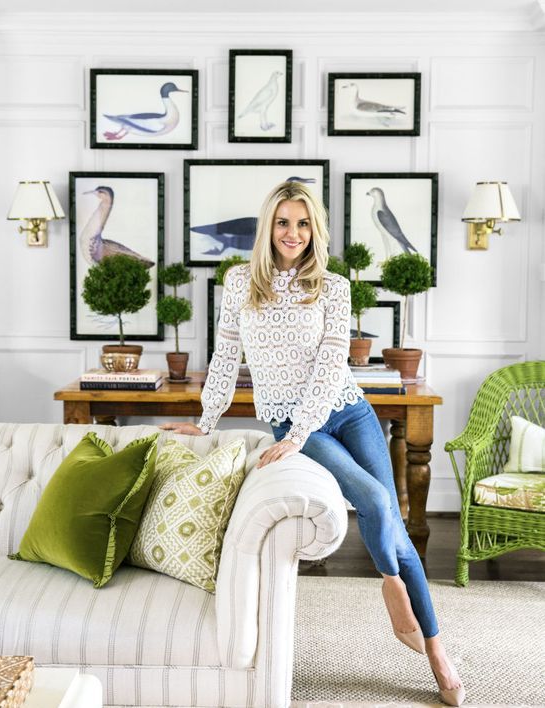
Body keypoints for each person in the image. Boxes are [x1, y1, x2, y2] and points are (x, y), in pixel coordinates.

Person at [160, 181, 465, 707]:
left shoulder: (333, 286)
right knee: (371, 501)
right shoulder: (239, 285)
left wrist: (302, 430)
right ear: (268, 227)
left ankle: (437, 651)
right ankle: (392, 589)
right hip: (292, 421)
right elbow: (226, 356)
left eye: (303, 224)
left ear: (315, 230)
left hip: (347, 411)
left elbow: (330, 365)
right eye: (283, 222)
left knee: (389, 516)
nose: (293, 234)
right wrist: (207, 423)